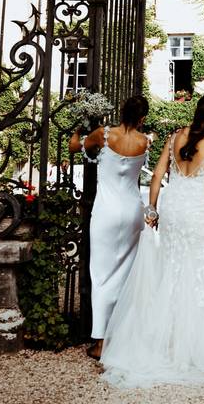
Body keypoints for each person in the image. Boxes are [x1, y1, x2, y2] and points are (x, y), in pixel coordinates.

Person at [100, 94, 204, 388]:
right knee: (197, 274)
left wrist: (152, 209)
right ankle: (189, 346)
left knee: (171, 270)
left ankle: (163, 339)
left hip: (173, 208)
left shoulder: (175, 135)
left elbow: (158, 175)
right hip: (198, 213)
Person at [69, 95, 150, 361]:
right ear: (141, 118)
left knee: (101, 275)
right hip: (133, 212)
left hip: (105, 212)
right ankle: (125, 335)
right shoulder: (145, 141)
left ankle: (101, 341)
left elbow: (73, 147)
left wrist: (80, 127)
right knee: (126, 275)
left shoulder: (104, 135)